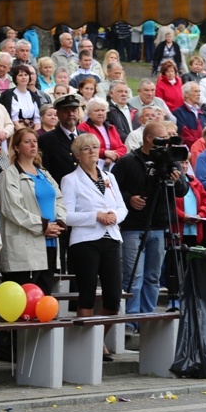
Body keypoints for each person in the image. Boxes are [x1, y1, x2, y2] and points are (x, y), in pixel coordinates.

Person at [112, 122, 189, 324]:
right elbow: (112, 190)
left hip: (160, 226)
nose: (165, 143)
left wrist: (177, 179)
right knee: (133, 277)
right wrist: (130, 199)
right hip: (133, 227)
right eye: (162, 138)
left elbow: (182, 190)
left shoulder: (171, 162)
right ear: (149, 138)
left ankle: (147, 319)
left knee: (153, 278)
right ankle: (130, 321)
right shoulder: (128, 161)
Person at [61, 133, 127, 360]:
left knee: (113, 297)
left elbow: (122, 207)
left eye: (95, 147)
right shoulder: (71, 180)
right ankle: (87, 345)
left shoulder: (110, 177)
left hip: (110, 238)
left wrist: (112, 217)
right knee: (87, 293)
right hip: (85, 241)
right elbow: (67, 216)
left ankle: (97, 338)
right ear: (78, 155)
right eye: (87, 148)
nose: (92, 152)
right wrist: (95, 216)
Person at [0, 127, 66, 295]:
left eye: (35, 141)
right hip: (24, 247)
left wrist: (59, 223)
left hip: (49, 244)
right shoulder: (10, 175)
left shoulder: (44, 174)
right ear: (17, 148)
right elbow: (12, 209)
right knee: (21, 300)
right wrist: (43, 226)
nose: (33, 145)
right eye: (27, 142)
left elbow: (59, 199)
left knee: (42, 298)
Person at [77, 97, 127, 171]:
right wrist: (104, 153)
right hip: (92, 166)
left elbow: (123, 148)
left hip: (114, 166)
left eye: (103, 110)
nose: (100, 113)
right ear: (89, 113)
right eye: (96, 111)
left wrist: (114, 156)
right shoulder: (83, 127)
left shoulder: (111, 127)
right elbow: (84, 148)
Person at [175, 155, 206, 247]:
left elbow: (205, 202)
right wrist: (183, 216)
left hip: (194, 230)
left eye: (186, 162)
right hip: (177, 230)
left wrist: (200, 215)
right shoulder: (170, 182)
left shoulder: (195, 181)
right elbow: (168, 204)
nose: (184, 166)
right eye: (181, 162)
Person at [0, 65, 41, 131]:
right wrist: (24, 134)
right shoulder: (7, 95)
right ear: (15, 78)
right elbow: (14, 121)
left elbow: (37, 120)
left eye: (26, 75)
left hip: (32, 131)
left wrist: (35, 134)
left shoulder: (34, 96)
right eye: (20, 75)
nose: (24, 77)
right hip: (14, 131)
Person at [173, 81, 206, 147]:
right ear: (186, 94)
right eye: (195, 91)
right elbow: (184, 135)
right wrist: (200, 146)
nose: (199, 94)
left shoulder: (204, 114)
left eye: (199, 91)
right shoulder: (178, 113)